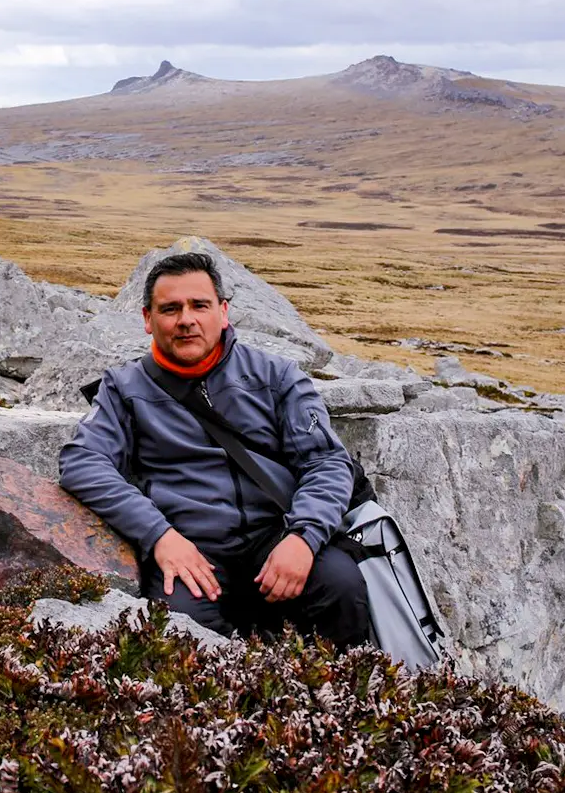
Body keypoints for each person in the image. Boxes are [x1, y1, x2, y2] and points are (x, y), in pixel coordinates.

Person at [59, 252, 370, 646]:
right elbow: (82, 462)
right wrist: (160, 536)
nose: (186, 319)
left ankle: (334, 700)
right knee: (178, 632)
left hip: (278, 533)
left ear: (223, 313)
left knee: (342, 588)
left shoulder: (277, 377)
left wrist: (304, 538)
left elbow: (326, 462)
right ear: (147, 319)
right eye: (170, 308)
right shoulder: (124, 389)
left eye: (199, 306)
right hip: (190, 548)